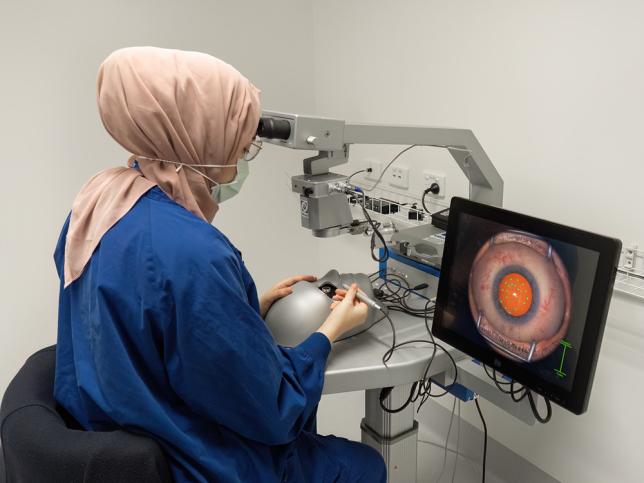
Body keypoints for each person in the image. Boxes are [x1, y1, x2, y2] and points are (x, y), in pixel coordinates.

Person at [53, 46, 387, 482]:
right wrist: (330, 330)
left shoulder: (96, 204)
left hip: (120, 435)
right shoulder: (196, 253)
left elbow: (143, 319)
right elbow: (273, 409)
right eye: (239, 145)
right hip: (196, 461)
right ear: (197, 134)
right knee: (365, 465)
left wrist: (244, 308)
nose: (239, 161)